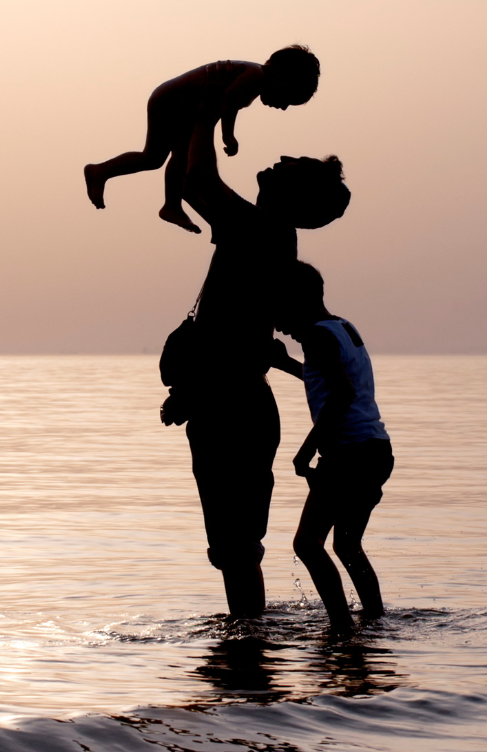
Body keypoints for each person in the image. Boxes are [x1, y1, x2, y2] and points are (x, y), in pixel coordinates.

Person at [161, 104, 350, 619]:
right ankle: (248, 663)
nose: (282, 155)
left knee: (236, 548)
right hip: (235, 403)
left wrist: (204, 105)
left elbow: (199, 176)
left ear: (293, 194)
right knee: (234, 549)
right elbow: (187, 180)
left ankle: (248, 662)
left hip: (232, 406)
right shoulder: (264, 233)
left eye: (293, 163)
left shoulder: (260, 228)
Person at [273, 261, 394, 631]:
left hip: (348, 455)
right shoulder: (342, 328)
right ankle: (373, 622)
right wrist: (286, 365)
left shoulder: (316, 337)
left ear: (299, 300)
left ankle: (341, 628)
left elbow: (341, 395)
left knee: (308, 545)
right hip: (375, 451)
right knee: (346, 545)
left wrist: (306, 450)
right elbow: (328, 378)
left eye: (280, 308)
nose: (278, 322)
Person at [84, 46, 320, 233]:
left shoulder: (254, 78)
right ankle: (101, 171)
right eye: (289, 98)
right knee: (154, 157)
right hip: (171, 102)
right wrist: (228, 135)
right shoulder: (256, 76)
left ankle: (171, 205)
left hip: (180, 105)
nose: (283, 107)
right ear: (286, 73)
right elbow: (228, 99)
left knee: (176, 156)